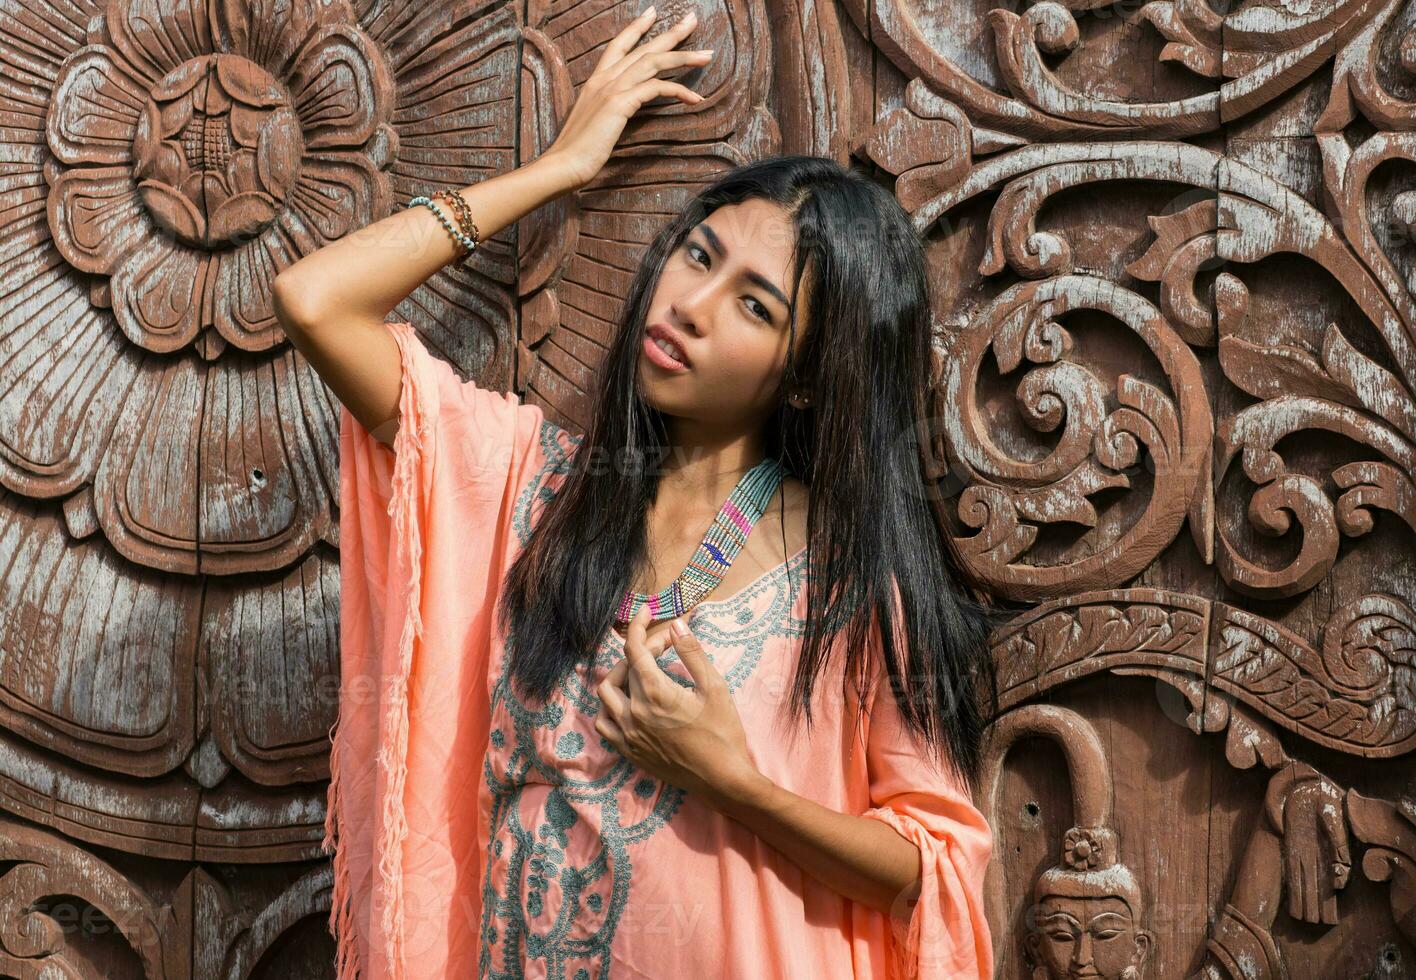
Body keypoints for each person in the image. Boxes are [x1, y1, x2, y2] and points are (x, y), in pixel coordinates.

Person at [272, 7, 1001, 978]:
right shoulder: (533, 491)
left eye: (754, 303)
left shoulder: (851, 581)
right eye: (699, 255)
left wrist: (735, 781)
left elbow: (932, 862)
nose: (691, 307)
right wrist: (557, 169)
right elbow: (317, 300)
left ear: (808, 373)